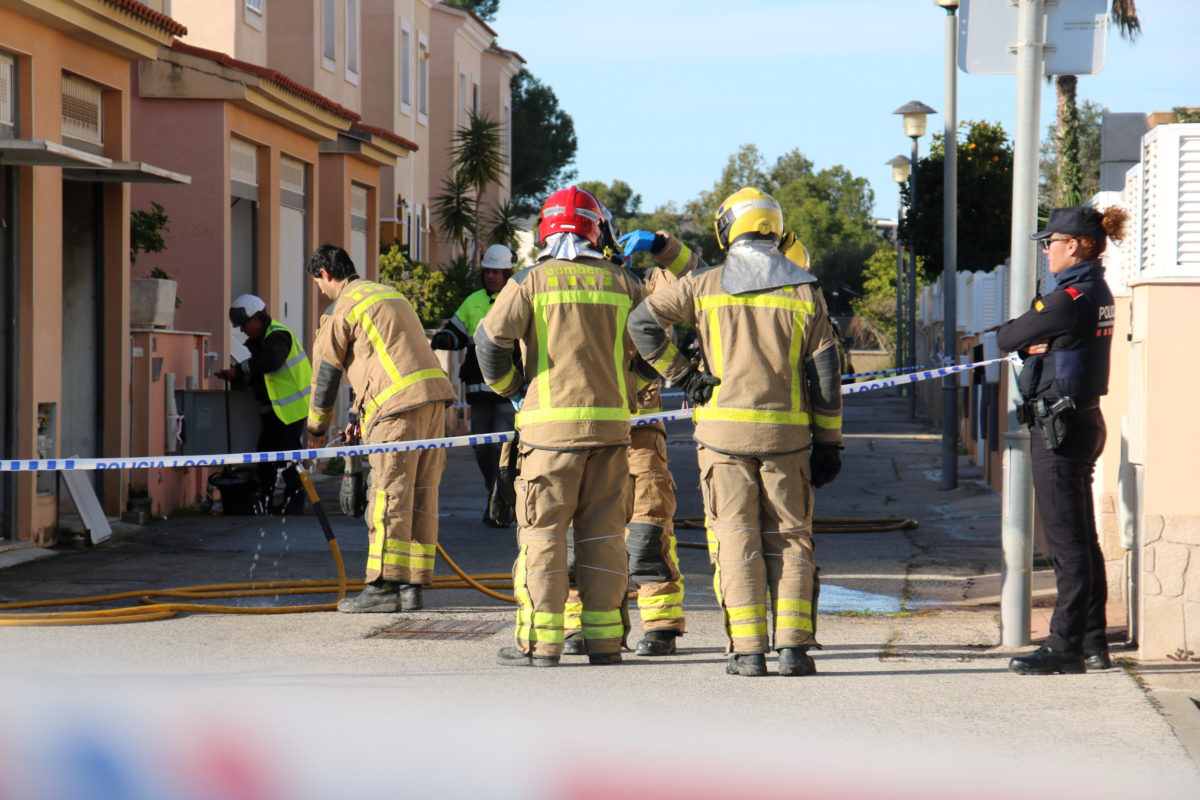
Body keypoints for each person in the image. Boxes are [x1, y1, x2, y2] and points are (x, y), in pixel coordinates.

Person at [627, 187, 844, 677]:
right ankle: (793, 649)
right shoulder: (806, 290)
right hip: (787, 441)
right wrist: (830, 442)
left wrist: (682, 375)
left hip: (722, 439)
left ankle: (747, 653)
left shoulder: (704, 285)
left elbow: (642, 323)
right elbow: (826, 375)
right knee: (791, 539)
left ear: (730, 228)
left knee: (735, 540)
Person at [475, 185, 645, 667]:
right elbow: (657, 341)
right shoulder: (623, 283)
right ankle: (605, 643)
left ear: (546, 231)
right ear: (595, 229)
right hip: (611, 433)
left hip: (548, 438)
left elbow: (489, 343)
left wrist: (513, 390)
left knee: (544, 538)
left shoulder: (529, 282)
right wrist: (632, 383)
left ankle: (541, 644)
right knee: (604, 539)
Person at [559, 220, 699, 658]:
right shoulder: (568, 286)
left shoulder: (648, 286)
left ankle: (660, 626)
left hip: (638, 433)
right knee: (579, 539)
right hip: (585, 431)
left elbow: (698, 280)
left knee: (645, 535)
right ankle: (586, 626)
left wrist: (661, 245)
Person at [996, 205, 1124, 676]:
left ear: (1073, 245)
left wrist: (1031, 341)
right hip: (1081, 421)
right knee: (1082, 542)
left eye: (1051, 241)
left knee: (1067, 547)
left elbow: (1006, 336)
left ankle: (1064, 646)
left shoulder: (1069, 297)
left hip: (1059, 429)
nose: (1047, 250)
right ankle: (1092, 643)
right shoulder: (1096, 290)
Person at [304, 244, 456, 614]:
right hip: (433, 401)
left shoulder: (342, 307)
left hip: (397, 409)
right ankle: (411, 588)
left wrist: (315, 429)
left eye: (318, 285)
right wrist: (359, 416)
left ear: (325, 275)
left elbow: (326, 375)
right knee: (420, 496)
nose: (321, 293)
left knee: (388, 496)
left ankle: (382, 588)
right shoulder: (389, 294)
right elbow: (387, 356)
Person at [429, 243, 518, 528]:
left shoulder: (519, 298)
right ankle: (497, 495)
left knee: (502, 449)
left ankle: (501, 500)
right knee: (481, 449)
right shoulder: (473, 301)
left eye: (497, 271)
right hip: (478, 394)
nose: (491, 276)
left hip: (509, 392)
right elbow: (454, 333)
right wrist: (444, 339)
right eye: (488, 271)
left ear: (508, 273)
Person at [215, 294, 311, 516]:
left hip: (291, 408)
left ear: (256, 319)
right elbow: (262, 375)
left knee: (287, 456)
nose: (243, 331)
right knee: (266, 454)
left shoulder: (278, 336)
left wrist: (239, 370)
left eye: (244, 325)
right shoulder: (264, 340)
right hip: (277, 409)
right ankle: (265, 500)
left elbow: (271, 362)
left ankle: (294, 501)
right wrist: (237, 377)